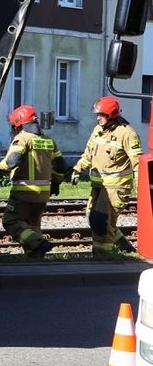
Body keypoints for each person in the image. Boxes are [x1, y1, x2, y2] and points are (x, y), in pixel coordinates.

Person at [71, 96, 143, 258]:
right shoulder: (97, 130)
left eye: (101, 115)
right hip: (98, 186)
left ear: (111, 115)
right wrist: (77, 169)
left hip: (116, 188)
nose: (98, 118)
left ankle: (104, 257)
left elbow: (138, 164)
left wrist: (141, 191)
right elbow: (88, 153)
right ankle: (126, 249)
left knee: (101, 222)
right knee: (92, 219)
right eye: (97, 115)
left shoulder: (127, 133)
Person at [0, 104, 68, 258]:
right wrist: (56, 182)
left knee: (11, 221)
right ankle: (35, 257)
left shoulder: (22, 138)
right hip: (43, 194)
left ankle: (39, 244)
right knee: (33, 225)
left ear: (20, 125)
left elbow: (11, 161)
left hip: (24, 192)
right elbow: (62, 166)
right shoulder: (49, 140)